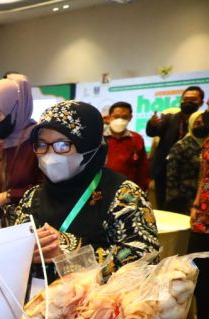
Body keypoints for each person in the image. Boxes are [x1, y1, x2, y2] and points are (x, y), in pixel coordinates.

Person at [14, 100, 159, 279]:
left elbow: (145, 262)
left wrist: (69, 252)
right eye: (42, 145)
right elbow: (16, 254)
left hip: (99, 297)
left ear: (88, 145)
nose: (49, 155)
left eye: (62, 145)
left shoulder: (124, 195)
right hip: (37, 296)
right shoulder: (32, 197)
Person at [0, 74, 45, 225]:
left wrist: (8, 196)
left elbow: (48, 190)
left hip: (35, 230)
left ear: (16, 109)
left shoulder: (41, 145)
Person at [146, 86, 206, 208]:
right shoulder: (169, 118)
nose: (188, 102)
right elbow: (153, 132)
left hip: (191, 175)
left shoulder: (204, 121)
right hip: (164, 171)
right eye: (185, 99)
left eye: (193, 99)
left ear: (201, 102)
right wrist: (152, 124)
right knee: (163, 207)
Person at [188, 135, 209, 319]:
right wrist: (196, 203)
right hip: (203, 216)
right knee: (200, 276)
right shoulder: (207, 141)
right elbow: (204, 174)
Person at [166, 110, 208, 214]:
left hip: (203, 198)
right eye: (197, 123)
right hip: (184, 199)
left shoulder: (206, 145)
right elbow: (172, 176)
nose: (201, 126)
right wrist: (175, 202)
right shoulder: (181, 146)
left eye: (203, 123)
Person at [105, 101, 150, 191]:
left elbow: (142, 168)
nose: (120, 120)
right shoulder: (99, 137)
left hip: (127, 190)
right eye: (116, 116)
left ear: (130, 118)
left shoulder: (137, 139)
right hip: (102, 188)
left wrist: (141, 189)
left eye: (124, 117)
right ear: (109, 117)